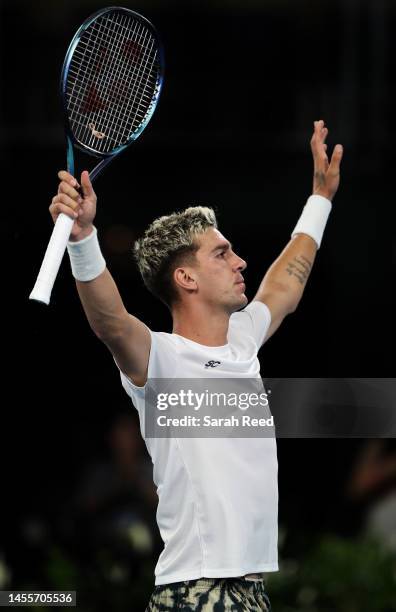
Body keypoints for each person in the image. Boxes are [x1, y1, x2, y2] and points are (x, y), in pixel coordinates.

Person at [49, 120, 343, 611]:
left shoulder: (244, 339)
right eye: (222, 253)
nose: (240, 262)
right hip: (197, 592)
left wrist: (320, 198)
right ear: (185, 277)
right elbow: (111, 322)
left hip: (249, 593)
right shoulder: (160, 359)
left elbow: (285, 286)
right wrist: (82, 238)